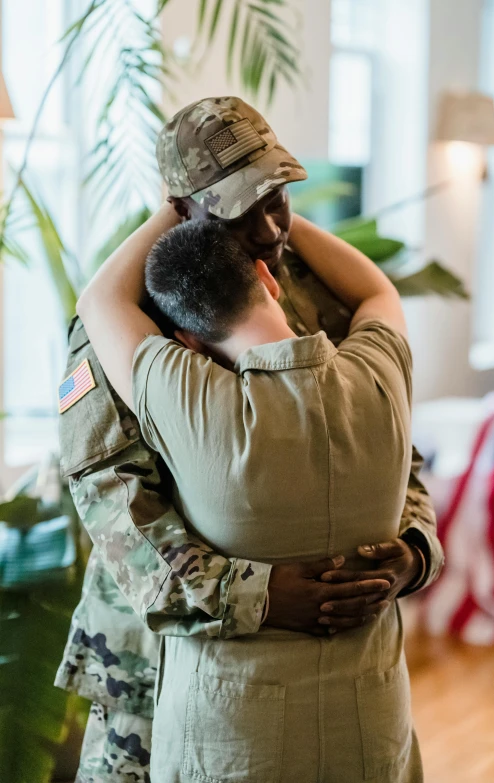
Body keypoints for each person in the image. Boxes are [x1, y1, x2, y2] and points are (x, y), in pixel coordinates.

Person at [55, 97, 443, 783]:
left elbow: (389, 440)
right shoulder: (124, 324)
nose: (270, 230)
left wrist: (411, 549)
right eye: (240, 209)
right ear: (182, 209)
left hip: (328, 673)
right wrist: (250, 594)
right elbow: (113, 497)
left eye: (279, 198)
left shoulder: (311, 291)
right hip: (159, 648)